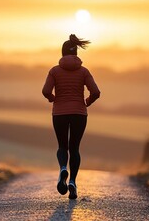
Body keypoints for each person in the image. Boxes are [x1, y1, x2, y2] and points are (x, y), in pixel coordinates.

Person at [42, 34, 101, 199]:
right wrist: (87, 101)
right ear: (76, 53)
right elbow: (96, 92)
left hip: (59, 112)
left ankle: (62, 169)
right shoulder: (83, 71)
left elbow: (46, 91)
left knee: (62, 146)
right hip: (79, 113)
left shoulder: (54, 71)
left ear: (62, 53)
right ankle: (73, 182)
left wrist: (53, 99)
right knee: (74, 148)